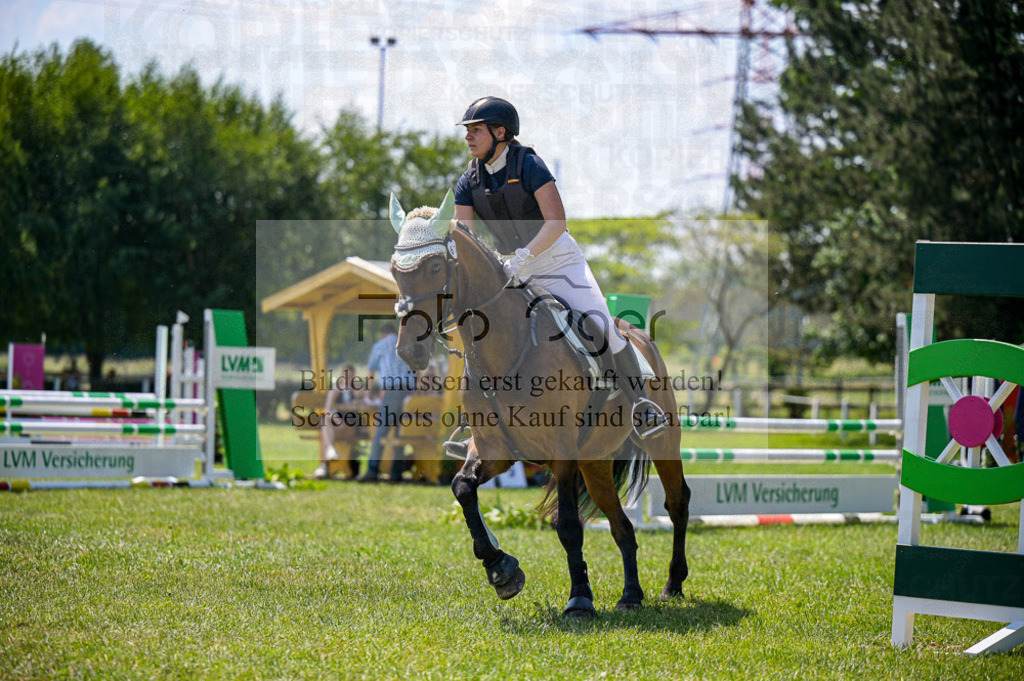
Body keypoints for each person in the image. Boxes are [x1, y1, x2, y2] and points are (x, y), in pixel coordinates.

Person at [453, 96, 665, 438]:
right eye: (468, 131)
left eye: (476, 130)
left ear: (500, 132)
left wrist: (524, 255)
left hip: (559, 262)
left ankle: (642, 405)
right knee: (486, 332)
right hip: (512, 272)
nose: (468, 136)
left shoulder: (529, 165)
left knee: (602, 325)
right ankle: (480, 422)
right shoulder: (469, 180)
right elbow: (465, 235)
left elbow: (556, 221)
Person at [359, 324, 416, 482]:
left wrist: (367, 394)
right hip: (409, 392)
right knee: (400, 432)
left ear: (383, 333)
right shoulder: (409, 343)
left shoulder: (380, 345)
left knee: (381, 432)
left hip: (392, 391)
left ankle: (372, 470)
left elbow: (371, 371)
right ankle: (396, 472)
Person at [314, 364, 368, 480]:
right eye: (346, 376)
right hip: (337, 427)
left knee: (326, 432)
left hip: (351, 428)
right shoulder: (335, 390)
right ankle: (330, 453)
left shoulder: (357, 389)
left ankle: (324, 464)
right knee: (326, 423)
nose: (348, 379)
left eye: (351, 376)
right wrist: (338, 421)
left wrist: (358, 398)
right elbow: (327, 410)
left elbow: (366, 403)